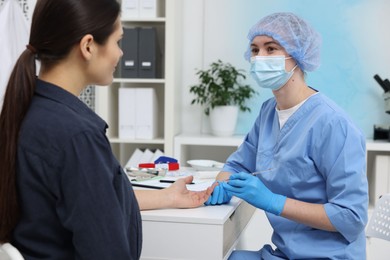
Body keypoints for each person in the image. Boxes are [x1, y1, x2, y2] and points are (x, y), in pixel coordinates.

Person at [0, 0, 214, 259]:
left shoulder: (28, 110)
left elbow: (86, 200)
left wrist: (167, 197)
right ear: (88, 46)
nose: (121, 53)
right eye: (117, 41)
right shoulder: (77, 137)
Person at [205, 12, 368, 259]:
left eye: (271, 49)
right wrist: (221, 184)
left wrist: (273, 201)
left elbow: (351, 217)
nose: (259, 58)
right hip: (285, 252)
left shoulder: (334, 124)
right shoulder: (269, 112)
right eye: (255, 50)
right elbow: (238, 163)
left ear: (298, 55)